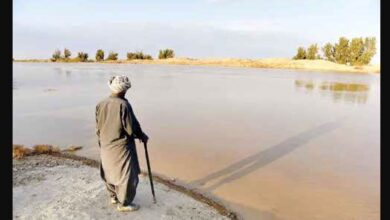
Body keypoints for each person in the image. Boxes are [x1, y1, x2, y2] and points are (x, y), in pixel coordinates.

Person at [95, 75, 149, 212]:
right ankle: (124, 203)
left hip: (105, 144)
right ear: (124, 90)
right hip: (121, 147)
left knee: (109, 170)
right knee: (127, 175)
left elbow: (98, 126)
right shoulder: (124, 105)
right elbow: (131, 128)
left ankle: (113, 196)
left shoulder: (101, 104)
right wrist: (142, 135)